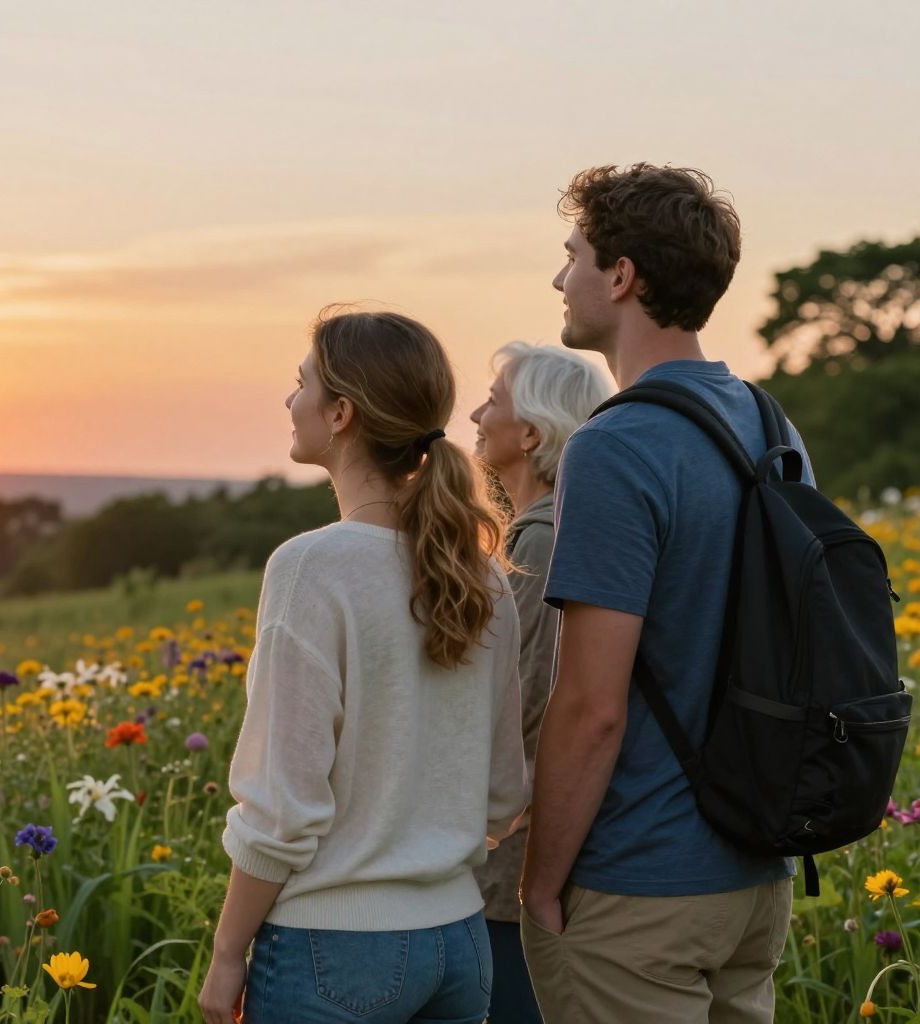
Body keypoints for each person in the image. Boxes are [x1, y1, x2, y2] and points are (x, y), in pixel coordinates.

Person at [520, 164, 806, 1023]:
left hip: (639, 886)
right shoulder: (768, 422)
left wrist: (539, 882)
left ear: (621, 275)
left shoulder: (615, 446)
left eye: (572, 255)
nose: (560, 278)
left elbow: (591, 706)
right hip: (756, 875)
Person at [197, 308, 528, 1024]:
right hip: (460, 945)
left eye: (301, 384)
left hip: (335, 953)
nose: (290, 402)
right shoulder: (484, 577)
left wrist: (227, 954)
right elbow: (506, 793)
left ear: (341, 412)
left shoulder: (312, 567)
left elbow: (283, 809)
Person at [469, 341, 612, 1022]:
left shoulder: (541, 542)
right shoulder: (559, 528)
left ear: (530, 433)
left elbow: (526, 712)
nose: (475, 412)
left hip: (519, 867)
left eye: (492, 401)